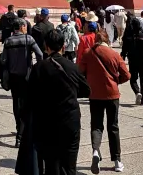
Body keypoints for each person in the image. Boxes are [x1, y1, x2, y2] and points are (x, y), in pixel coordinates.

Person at [24, 29, 91, 175]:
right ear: (63, 46)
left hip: (46, 122)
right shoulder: (72, 67)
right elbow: (86, 90)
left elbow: (29, 96)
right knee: (69, 164)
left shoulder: (38, 68)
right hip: (69, 120)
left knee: (51, 164)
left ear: (46, 46)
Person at [79, 27, 130, 173]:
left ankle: (96, 151)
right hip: (112, 94)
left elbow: (80, 72)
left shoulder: (88, 53)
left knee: (96, 125)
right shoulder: (114, 54)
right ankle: (117, 160)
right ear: (107, 39)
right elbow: (127, 75)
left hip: (95, 95)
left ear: (96, 40)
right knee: (113, 126)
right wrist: (115, 82)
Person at [2, 17, 43, 147]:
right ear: (21, 27)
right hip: (27, 76)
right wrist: (37, 68)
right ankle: (22, 134)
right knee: (27, 104)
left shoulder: (8, 41)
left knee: (16, 104)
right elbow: (40, 54)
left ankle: (19, 129)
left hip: (13, 77)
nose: (26, 28)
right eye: (25, 26)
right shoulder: (28, 39)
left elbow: (4, 60)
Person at [121, 16, 143, 105]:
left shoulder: (128, 37)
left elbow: (124, 49)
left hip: (132, 59)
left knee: (133, 78)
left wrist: (123, 55)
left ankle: (137, 91)